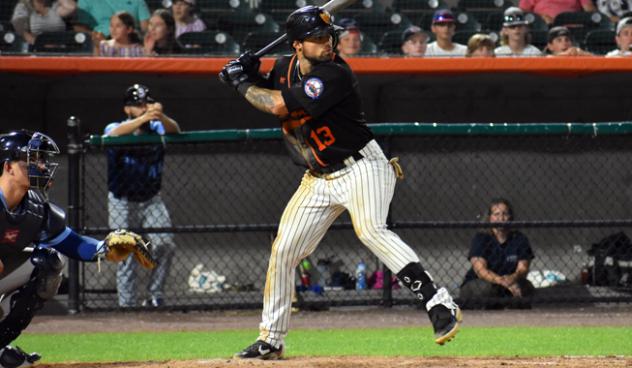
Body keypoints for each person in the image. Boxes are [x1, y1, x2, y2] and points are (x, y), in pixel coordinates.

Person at [218, 5, 462, 360]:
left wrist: (240, 82)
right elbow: (267, 87)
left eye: (328, 37)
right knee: (283, 252)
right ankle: (271, 339)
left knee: (371, 230)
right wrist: (248, 71)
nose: (328, 43)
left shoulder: (334, 74)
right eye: (317, 39)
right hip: (317, 177)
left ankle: (438, 303)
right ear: (297, 45)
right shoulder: (283, 67)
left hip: (362, 166)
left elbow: (275, 106)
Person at [0, 130, 147, 367]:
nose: (42, 165)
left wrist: (105, 248)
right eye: (33, 159)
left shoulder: (36, 209)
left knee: (48, 264)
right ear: (8, 167)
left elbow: (73, 244)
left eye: (42, 159)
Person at [105, 84, 181, 308]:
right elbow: (112, 135)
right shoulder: (117, 125)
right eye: (139, 105)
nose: (144, 108)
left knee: (165, 244)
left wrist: (159, 115)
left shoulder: (157, 126)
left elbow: (175, 130)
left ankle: (155, 295)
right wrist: (142, 117)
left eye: (147, 103)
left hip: (151, 200)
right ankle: (127, 304)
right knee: (125, 251)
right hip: (122, 201)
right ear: (128, 109)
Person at [460, 198, 535, 309]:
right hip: (482, 282)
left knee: (526, 287)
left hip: (510, 282)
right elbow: (481, 271)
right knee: (487, 290)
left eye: (505, 214)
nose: (501, 218)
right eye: (496, 214)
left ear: (510, 217)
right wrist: (501, 281)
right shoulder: (481, 238)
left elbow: (523, 268)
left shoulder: (520, 239)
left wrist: (512, 278)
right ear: (490, 218)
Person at [74, 0, 150, 45]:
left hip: (130, 42)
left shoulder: (138, 1)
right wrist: (98, 39)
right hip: (98, 42)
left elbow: (146, 29)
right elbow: (79, 27)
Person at [10, 0, 76, 46]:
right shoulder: (24, 6)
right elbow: (21, 30)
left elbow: (71, 7)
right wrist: (39, 45)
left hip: (59, 48)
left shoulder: (54, 4)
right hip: (35, 49)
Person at [519, 0, 596, 25]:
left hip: (572, 28)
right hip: (544, 27)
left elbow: (590, 9)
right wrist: (540, 18)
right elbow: (523, 12)